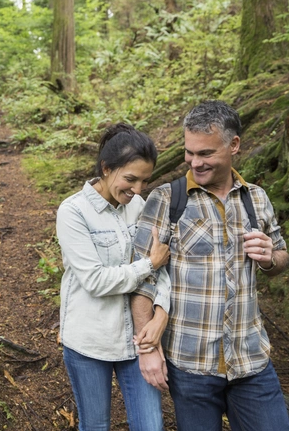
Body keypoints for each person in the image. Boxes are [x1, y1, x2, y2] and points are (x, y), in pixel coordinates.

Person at [132, 100, 289, 431]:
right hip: (190, 366)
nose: (194, 162)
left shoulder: (257, 198)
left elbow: (281, 256)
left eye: (205, 153)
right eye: (189, 152)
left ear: (234, 145)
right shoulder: (166, 200)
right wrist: (147, 350)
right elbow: (142, 280)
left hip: (251, 362)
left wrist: (269, 258)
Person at [57, 123, 171, 431]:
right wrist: (148, 264)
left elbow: (164, 270)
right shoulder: (73, 212)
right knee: (95, 426)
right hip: (89, 341)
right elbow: (95, 281)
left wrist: (161, 313)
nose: (137, 189)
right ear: (107, 169)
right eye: (130, 179)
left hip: (136, 341)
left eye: (144, 181)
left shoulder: (138, 205)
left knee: (151, 426)